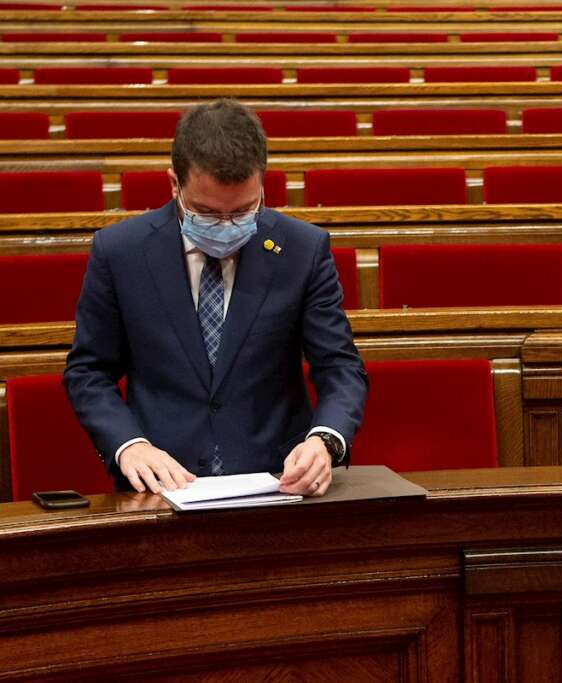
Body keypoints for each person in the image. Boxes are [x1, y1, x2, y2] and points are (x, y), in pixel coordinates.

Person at [64, 98, 368, 497]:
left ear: (262, 182)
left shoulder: (302, 249)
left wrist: (323, 441)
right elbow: (88, 372)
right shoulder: (120, 252)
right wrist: (129, 445)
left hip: (277, 484)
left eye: (243, 211)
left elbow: (340, 367)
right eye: (207, 213)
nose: (226, 226)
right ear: (174, 184)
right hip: (160, 486)